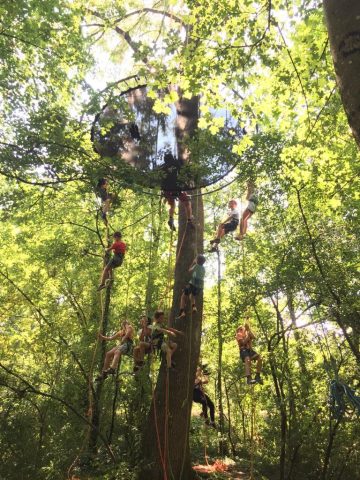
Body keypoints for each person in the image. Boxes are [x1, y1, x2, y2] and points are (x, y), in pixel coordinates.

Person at [160, 152, 195, 231]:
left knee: (172, 205)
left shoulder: (162, 167)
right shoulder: (176, 163)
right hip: (177, 188)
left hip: (167, 189)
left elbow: (160, 179)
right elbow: (182, 171)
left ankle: (171, 218)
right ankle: (189, 220)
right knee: (187, 202)